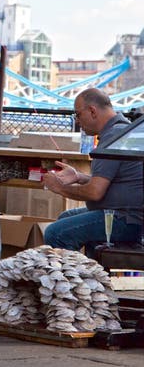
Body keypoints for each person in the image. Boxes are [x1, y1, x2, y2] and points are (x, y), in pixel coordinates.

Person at [43, 88, 143, 257]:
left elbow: (94, 192)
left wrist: (58, 187)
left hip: (126, 220)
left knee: (56, 233)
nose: (77, 121)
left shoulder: (114, 137)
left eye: (78, 114)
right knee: (65, 217)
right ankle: (91, 273)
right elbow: (115, 181)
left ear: (92, 111)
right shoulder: (121, 131)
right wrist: (80, 177)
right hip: (127, 215)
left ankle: (75, 281)